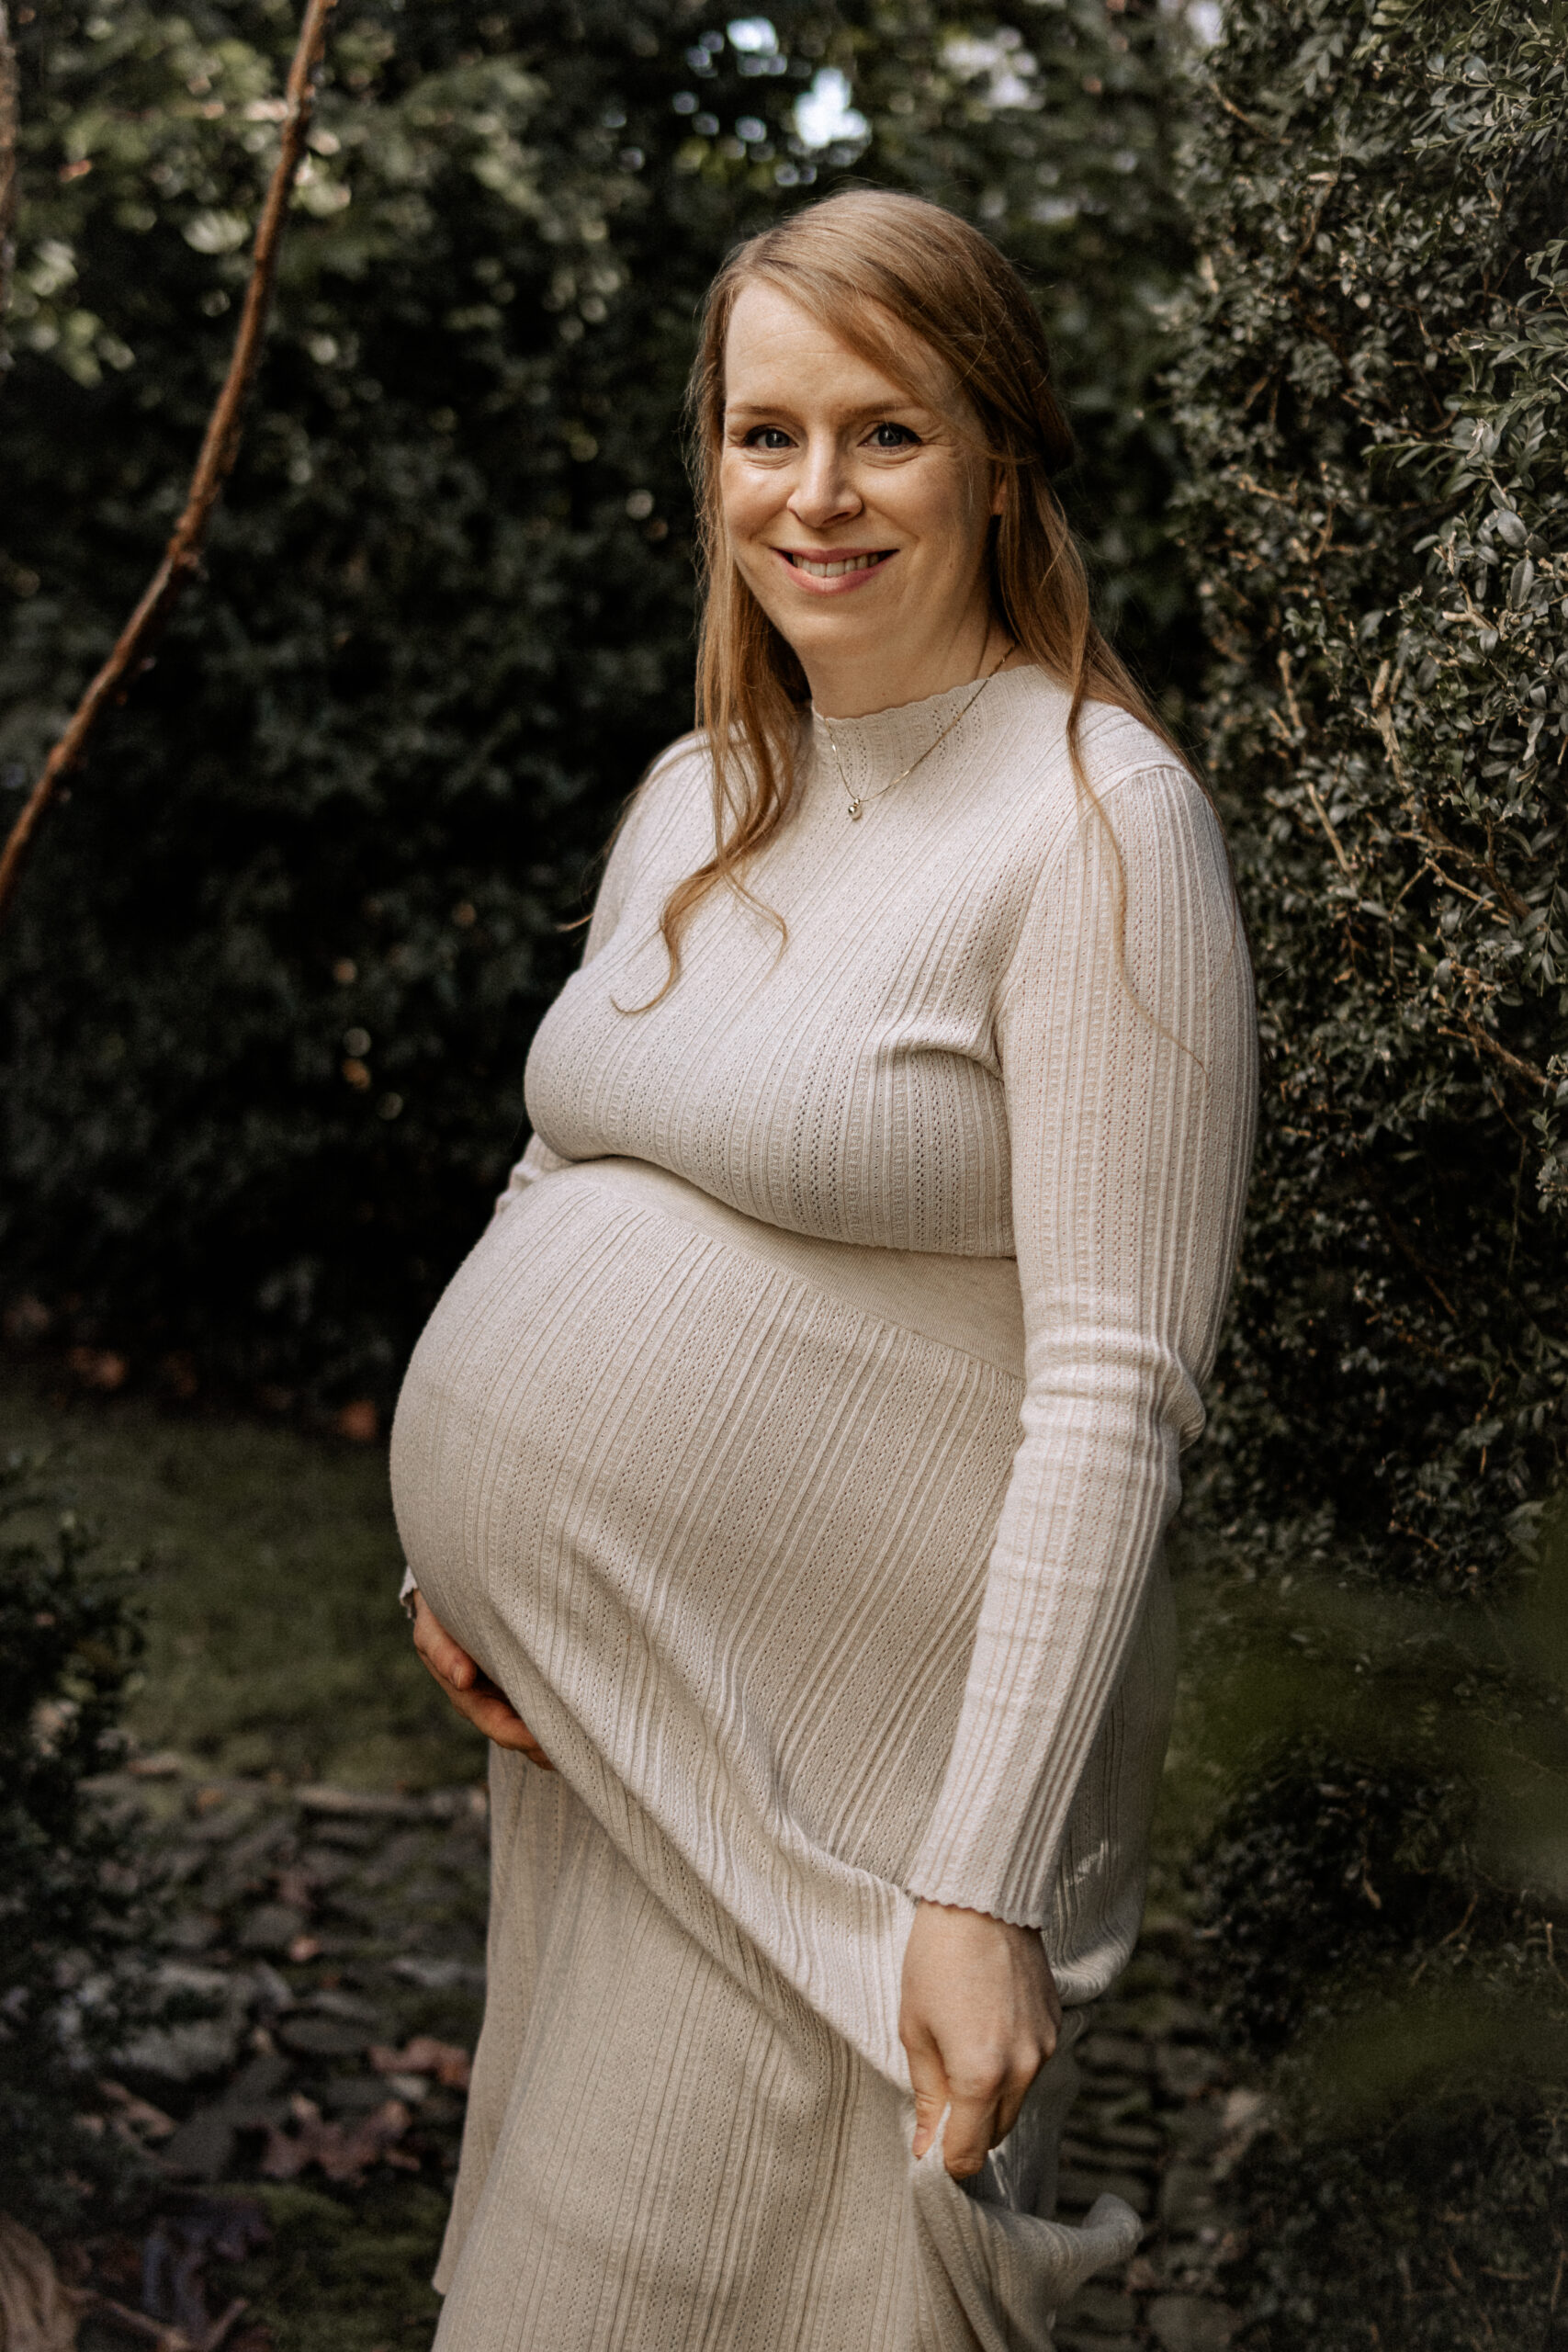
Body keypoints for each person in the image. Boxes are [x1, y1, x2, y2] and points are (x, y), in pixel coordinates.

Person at [389, 187, 1256, 2352]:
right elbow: (557, 1157)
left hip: (858, 1820)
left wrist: (978, 1885)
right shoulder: (695, 795)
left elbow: (1113, 1389)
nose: (815, 493)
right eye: (763, 433)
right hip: (610, 1743)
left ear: (999, 455)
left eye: (885, 431)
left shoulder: (1096, 820)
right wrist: (452, 1562)